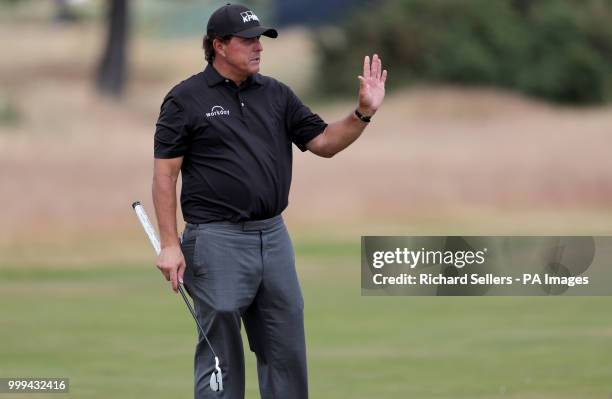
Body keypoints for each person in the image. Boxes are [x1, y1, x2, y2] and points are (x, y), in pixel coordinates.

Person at [152, 3, 386, 398]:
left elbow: (325, 142)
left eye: (260, 39)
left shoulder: (276, 94)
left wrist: (362, 113)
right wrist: (171, 244)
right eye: (247, 40)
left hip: (273, 237)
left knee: (286, 345)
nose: (258, 47)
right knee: (219, 351)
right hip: (215, 239)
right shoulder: (185, 99)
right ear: (219, 46)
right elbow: (165, 174)